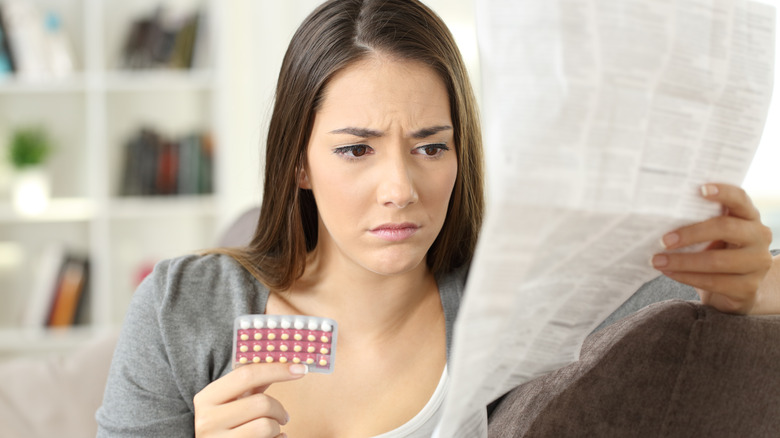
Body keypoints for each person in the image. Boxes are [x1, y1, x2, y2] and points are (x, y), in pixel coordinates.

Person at [96, 1, 779, 437]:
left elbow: (727, 287)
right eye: (356, 149)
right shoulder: (178, 308)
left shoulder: (522, 298)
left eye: (430, 146)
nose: (400, 188)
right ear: (298, 162)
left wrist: (749, 284)